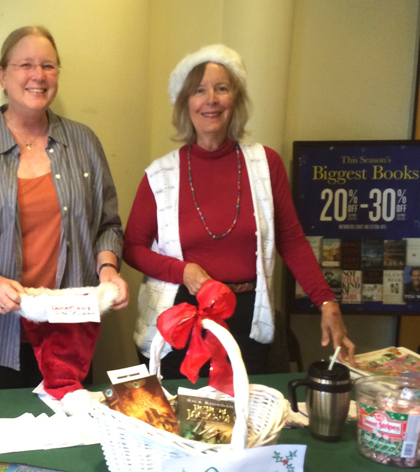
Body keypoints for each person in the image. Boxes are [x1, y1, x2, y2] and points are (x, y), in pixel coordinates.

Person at [124, 44, 355, 377]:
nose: (211, 100)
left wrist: (327, 301)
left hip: (248, 319)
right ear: (185, 103)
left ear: (236, 99)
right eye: (199, 91)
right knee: (179, 420)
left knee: (244, 417)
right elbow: (132, 248)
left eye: (222, 88)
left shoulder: (266, 164)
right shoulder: (160, 175)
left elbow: (290, 239)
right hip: (180, 320)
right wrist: (183, 271)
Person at [0, 26, 128, 401]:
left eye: (48, 65)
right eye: (25, 65)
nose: (38, 75)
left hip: (66, 336)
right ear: (3, 75)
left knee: (67, 446)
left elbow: (108, 226)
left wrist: (108, 270)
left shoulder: (84, 143)